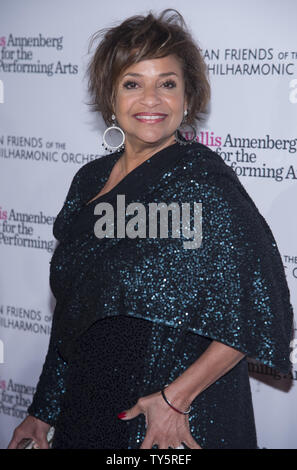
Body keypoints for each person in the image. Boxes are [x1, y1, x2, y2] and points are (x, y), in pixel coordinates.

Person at [8, 9, 293, 450]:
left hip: (162, 417)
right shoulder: (88, 179)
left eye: (167, 83)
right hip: (88, 406)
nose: (151, 99)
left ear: (187, 95)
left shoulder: (202, 184)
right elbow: (75, 311)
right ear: (111, 94)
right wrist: (43, 409)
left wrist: (174, 400)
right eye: (132, 83)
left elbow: (255, 311)